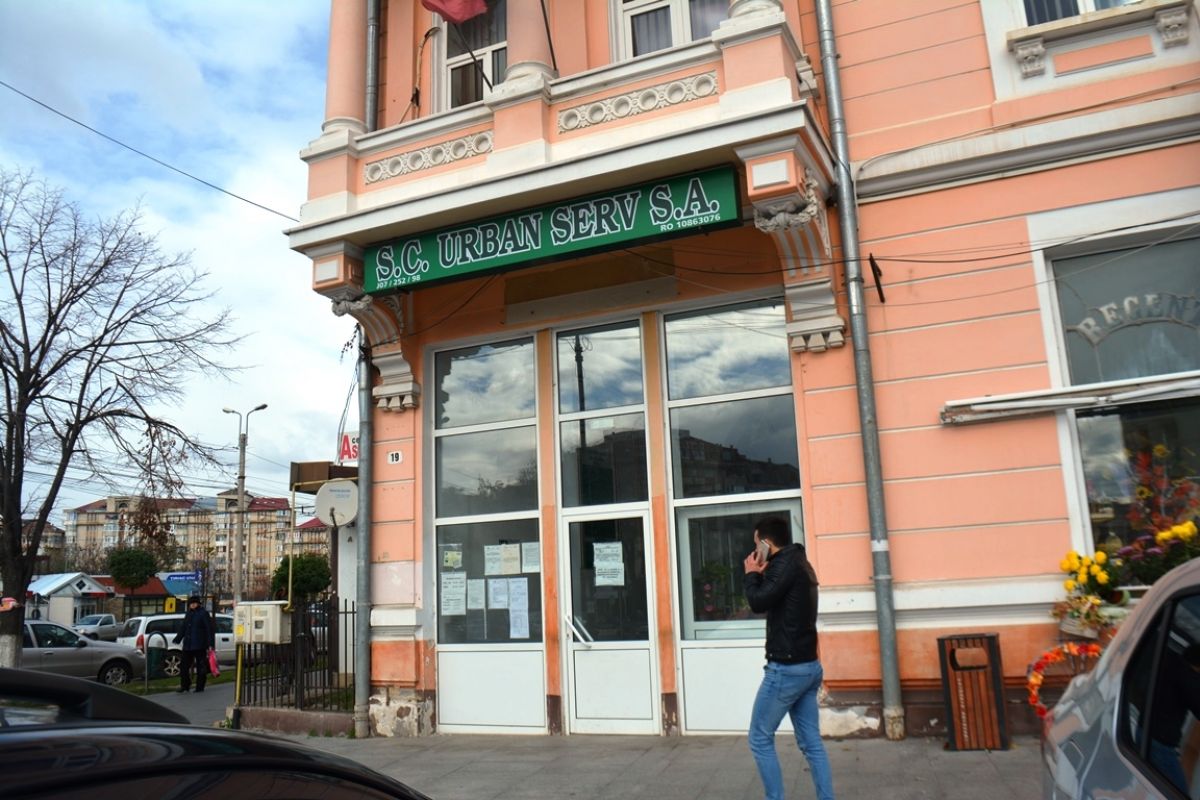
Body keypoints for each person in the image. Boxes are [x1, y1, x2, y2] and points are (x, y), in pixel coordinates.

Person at [743, 516, 835, 800]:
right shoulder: (799, 562)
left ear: (765, 543)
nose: (754, 551)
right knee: (811, 743)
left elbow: (758, 602)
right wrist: (763, 573)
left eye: (756, 545)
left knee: (759, 738)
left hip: (786, 668)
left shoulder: (784, 565)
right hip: (808, 666)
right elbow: (779, 601)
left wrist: (751, 573)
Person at [173, 595, 215, 693]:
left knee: (201, 666)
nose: (192, 605)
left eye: (194, 603)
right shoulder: (188, 613)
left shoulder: (203, 613)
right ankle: (185, 685)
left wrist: (210, 644)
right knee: (183, 666)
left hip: (200, 644)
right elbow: (184, 627)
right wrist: (178, 638)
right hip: (188, 645)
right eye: (191, 603)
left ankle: (200, 686)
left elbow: (209, 629)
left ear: (198, 604)